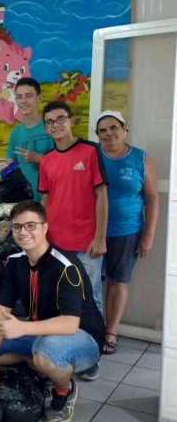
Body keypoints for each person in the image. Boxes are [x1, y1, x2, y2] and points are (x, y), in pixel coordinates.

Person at [0, 200, 104, 422]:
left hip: (83, 335)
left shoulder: (66, 266)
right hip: (41, 332)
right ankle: (37, 364)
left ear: (45, 228)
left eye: (31, 225)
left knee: (46, 353)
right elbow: (0, 312)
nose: (24, 232)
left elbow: (70, 323)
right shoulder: (15, 263)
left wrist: (22, 328)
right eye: (17, 226)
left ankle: (64, 389)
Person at [39, 101, 108, 380]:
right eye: (50, 122)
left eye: (60, 119)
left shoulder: (90, 151)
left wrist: (100, 237)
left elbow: (101, 195)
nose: (55, 125)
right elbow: (44, 199)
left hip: (86, 243)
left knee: (90, 300)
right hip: (54, 243)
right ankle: (59, 352)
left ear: (71, 120)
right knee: (58, 300)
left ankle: (92, 357)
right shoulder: (46, 160)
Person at [96, 110, 159, 354]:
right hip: (93, 232)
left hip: (128, 232)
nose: (109, 133)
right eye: (103, 130)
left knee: (118, 281)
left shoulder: (140, 159)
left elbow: (152, 200)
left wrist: (148, 235)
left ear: (124, 129)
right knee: (89, 283)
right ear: (97, 135)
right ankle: (90, 329)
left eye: (113, 127)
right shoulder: (93, 156)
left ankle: (110, 332)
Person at [5, 78, 54, 201]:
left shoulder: (53, 128)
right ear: (16, 100)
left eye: (29, 96)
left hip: (52, 200)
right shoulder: (15, 133)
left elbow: (65, 165)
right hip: (24, 203)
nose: (23, 101)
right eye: (19, 97)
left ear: (39, 98)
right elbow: (10, 165)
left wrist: (40, 159)